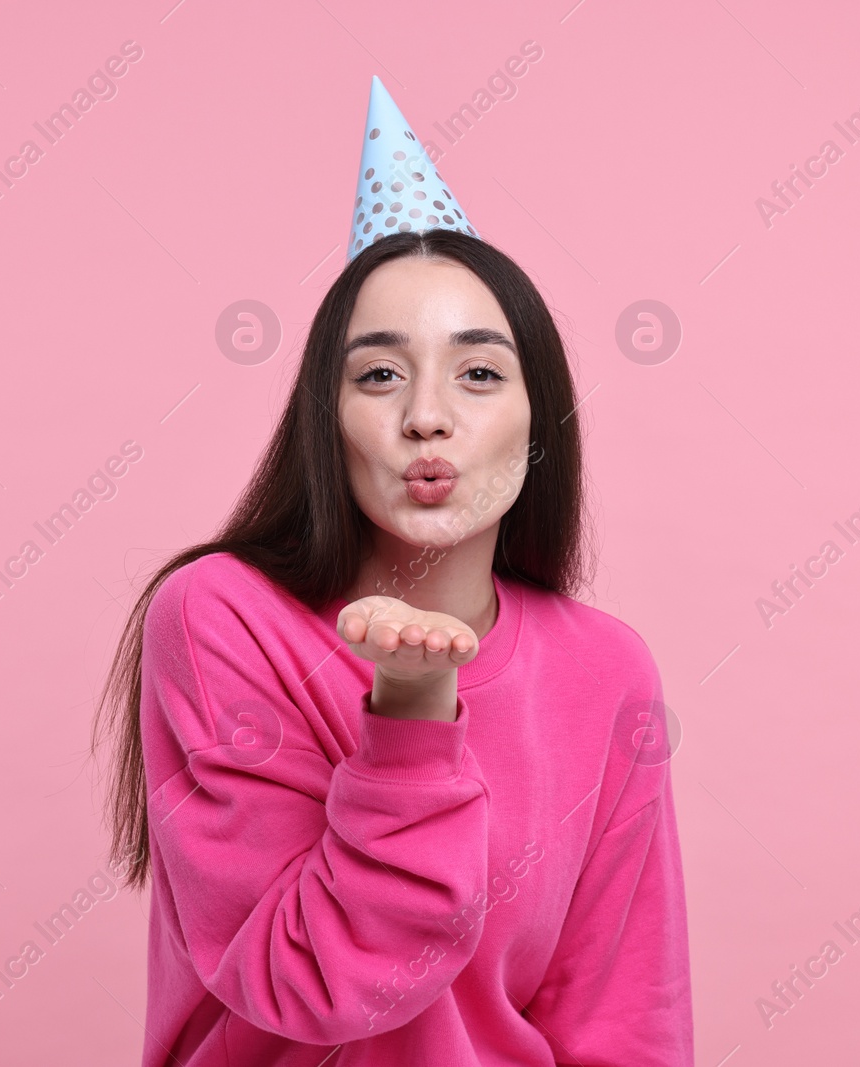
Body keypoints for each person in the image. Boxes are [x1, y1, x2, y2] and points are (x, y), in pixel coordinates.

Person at [92, 78, 693, 1066]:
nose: (425, 414)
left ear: (537, 417)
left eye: (479, 372)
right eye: (378, 372)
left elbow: (626, 1023)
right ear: (325, 420)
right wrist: (411, 719)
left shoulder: (606, 670)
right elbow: (313, 984)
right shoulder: (220, 617)